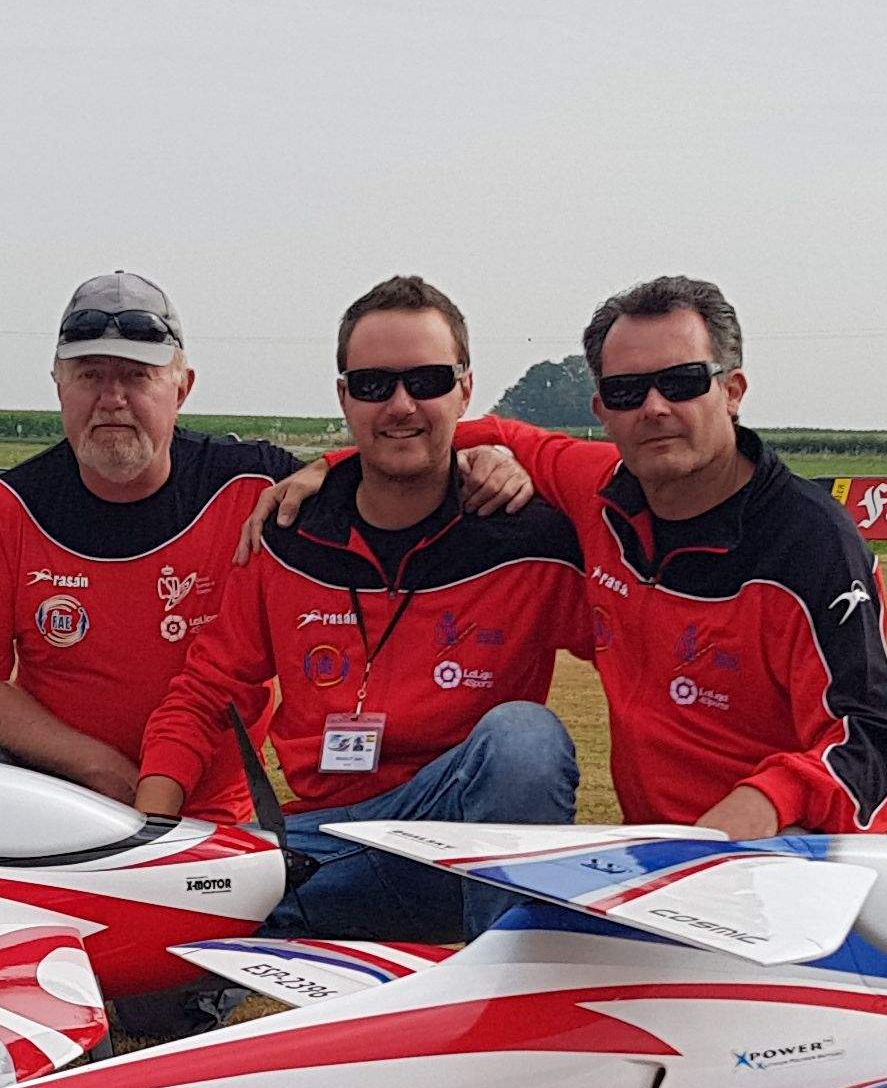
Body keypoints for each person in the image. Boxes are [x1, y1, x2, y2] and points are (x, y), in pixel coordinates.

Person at [255, 275, 887, 838]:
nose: (654, 408)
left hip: (817, 859)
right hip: (667, 867)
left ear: (733, 390)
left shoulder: (810, 542)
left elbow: (871, 741)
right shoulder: (597, 489)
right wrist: (331, 467)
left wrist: (748, 814)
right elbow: (470, 429)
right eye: (628, 392)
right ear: (602, 408)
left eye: (681, 382)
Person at [0, 271, 531, 825]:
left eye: (137, 376)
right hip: (56, 795)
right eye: (90, 375)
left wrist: (482, 452)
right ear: (58, 386)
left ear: (182, 388)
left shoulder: (257, 488)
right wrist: (95, 766)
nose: (112, 398)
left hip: (212, 814)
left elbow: (393, 456)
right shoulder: (12, 506)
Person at [135, 276, 591, 942]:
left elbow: (643, 662)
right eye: (375, 385)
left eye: (427, 381)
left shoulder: (533, 539)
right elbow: (205, 694)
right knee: (165, 954)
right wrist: (150, 846)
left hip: (461, 848)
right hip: (325, 848)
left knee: (524, 739)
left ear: (465, 389)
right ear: (344, 395)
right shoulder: (286, 533)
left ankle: (507, 982)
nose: (401, 405)